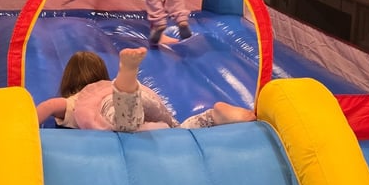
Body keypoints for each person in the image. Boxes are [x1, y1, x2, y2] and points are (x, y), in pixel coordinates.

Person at [36, 47, 256, 131]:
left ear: (69, 79)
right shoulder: (105, 86)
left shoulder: (75, 101)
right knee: (179, 130)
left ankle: (126, 82)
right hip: (148, 102)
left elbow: (48, 106)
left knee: (125, 123)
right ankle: (213, 116)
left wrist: (27, 128)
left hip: (118, 107)